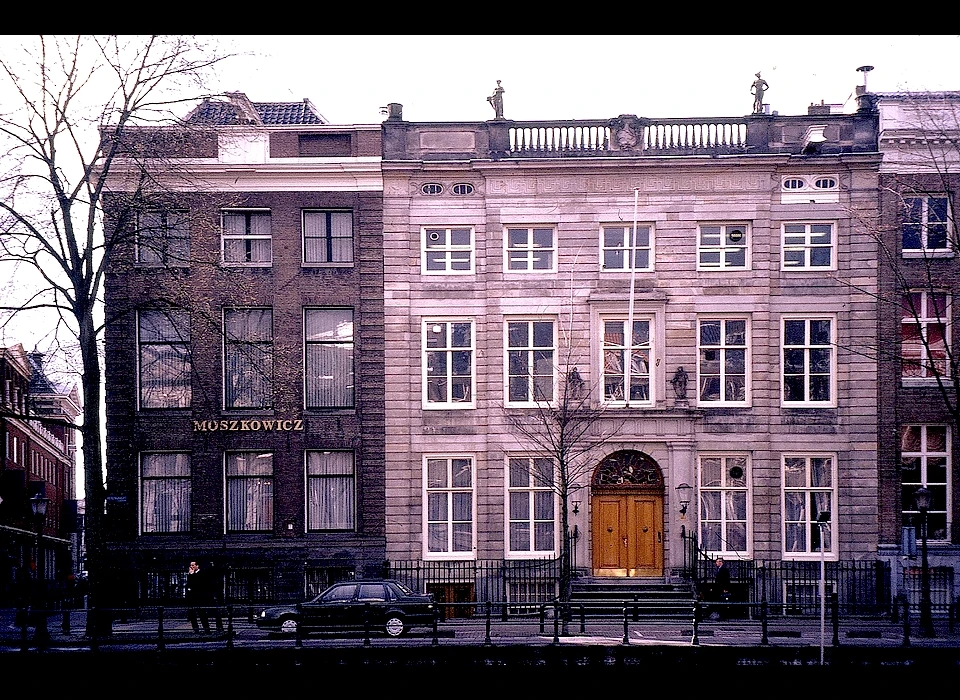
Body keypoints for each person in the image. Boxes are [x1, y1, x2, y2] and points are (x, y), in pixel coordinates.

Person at [185, 560, 210, 634]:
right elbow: (189, 584)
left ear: (197, 566)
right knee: (193, 615)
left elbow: (198, 584)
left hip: (200, 598)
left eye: (193, 565)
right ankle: (196, 629)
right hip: (192, 598)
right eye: (191, 565)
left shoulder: (201, 574)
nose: (191, 567)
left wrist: (192, 575)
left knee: (202, 614)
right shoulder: (191, 574)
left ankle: (206, 629)